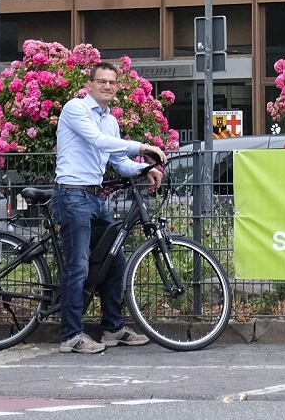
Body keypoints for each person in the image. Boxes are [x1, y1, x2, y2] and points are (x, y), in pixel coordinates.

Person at [52, 62, 166, 354]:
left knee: (114, 260)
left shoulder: (111, 121)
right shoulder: (75, 109)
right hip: (72, 194)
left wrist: (145, 169)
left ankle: (113, 328)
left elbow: (119, 162)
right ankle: (71, 336)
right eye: (101, 81)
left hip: (94, 197)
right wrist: (143, 147)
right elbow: (97, 140)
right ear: (89, 85)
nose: (106, 86)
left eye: (112, 82)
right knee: (77, 265)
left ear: (117, 87)